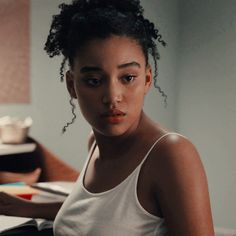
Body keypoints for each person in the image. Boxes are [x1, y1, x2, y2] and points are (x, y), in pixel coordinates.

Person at [0, 0, 215, 235]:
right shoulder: (95, 142)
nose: (112, 97)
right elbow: (100, 213)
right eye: (94, 80)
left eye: (128, 78)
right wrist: (28, 207)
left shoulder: (171, 154)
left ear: (147, 79)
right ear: (72, 85)